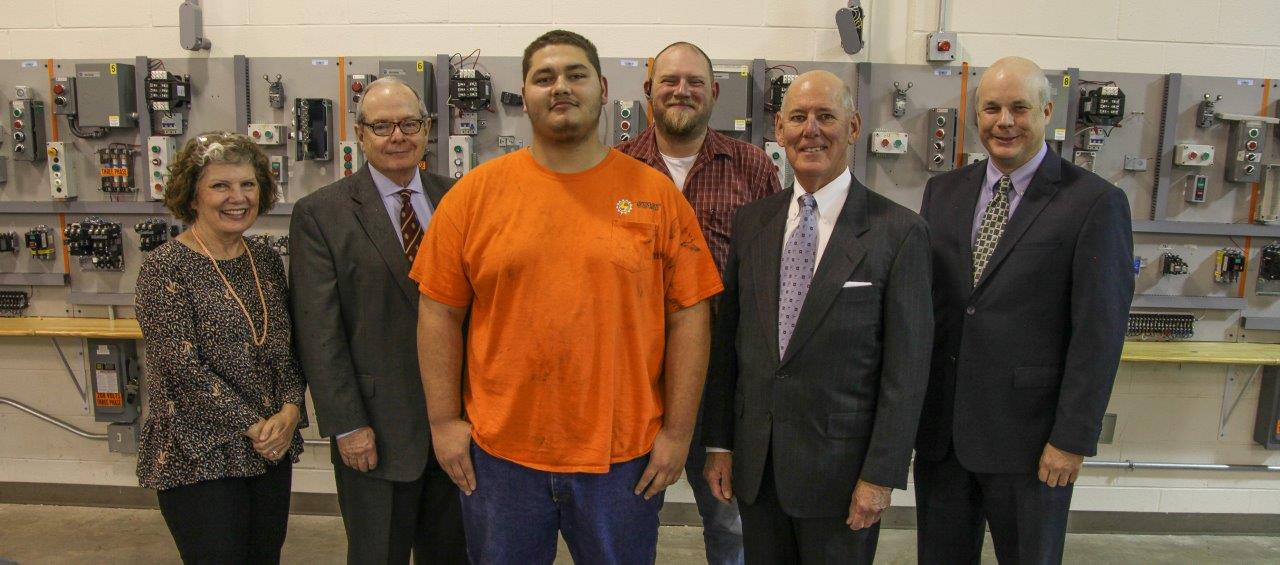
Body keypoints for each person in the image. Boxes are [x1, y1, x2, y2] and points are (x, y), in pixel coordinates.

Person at [412, 29, 723, 563]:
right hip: (501, 457)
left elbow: (690, 316)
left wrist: (678, 433)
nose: (561, 87)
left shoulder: (655, 196)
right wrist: (442, 423)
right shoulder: (474, 197)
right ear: (525, 93)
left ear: (601, 88)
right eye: (544, 77)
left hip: (623, 460)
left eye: (576, 74)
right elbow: (438, 311)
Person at [700, 70, 932, 564]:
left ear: (852, 127)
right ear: (779, 130)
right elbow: (730, 346)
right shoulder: (752, 223)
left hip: (842, 476)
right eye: (799, 118)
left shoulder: (898, 232)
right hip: (757, 471)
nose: (811, 130)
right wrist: (720, 444)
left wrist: (881, 474)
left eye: (825, 116)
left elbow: (906, 372)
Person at [913, 56, 1134, 564]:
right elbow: (933, 308)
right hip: (943, 439)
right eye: (992, 108)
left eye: (1019, 107)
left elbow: (1099, 332)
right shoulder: (943, 192)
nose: (1004, 121)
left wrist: (1072, 437)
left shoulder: (1094, 203)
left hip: (1033, 445)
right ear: (976, 114)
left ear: (1047, 111)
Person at [290, 77, 466, 563]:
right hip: (378, 431)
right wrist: (347, 425)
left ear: (427, 130)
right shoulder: (321, 214)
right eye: (382, 125)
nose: (397, 136)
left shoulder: (459, 199)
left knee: (455, 554)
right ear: (361, 135)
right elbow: (318, 331)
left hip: (459, 430)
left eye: (409, 123)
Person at [616, 42, 780, 564]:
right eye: (669, 81)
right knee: (625, 517)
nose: (680, 90)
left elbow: (769, 280)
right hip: (634, 381)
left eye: (693, 82)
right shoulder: (614, 170)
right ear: (648, 93)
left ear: (713, 92)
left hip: (721, 381)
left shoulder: (752, 167)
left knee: (729, 521)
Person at [135, 132, 306, 564]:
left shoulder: (264, 259)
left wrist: (289, 411)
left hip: (269, 449)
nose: (238, 197)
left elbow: (286, 347)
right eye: (221, 186)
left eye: (248, 185)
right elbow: (182, 369)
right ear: (192, 196)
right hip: (200, 454)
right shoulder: (164, 268)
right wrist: (255, 426)